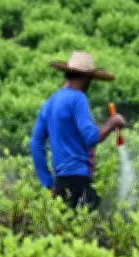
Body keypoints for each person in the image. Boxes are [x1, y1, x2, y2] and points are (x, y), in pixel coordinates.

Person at [29, 51, 126, 211]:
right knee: (98, 218)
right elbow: (91, 137)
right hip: (78, 180)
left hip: (61, 183)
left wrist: (48, 183)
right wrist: (112, 122)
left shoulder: (50, 103)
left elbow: (36, 144)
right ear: (85, 78)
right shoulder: (78, 98)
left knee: (66, 227)